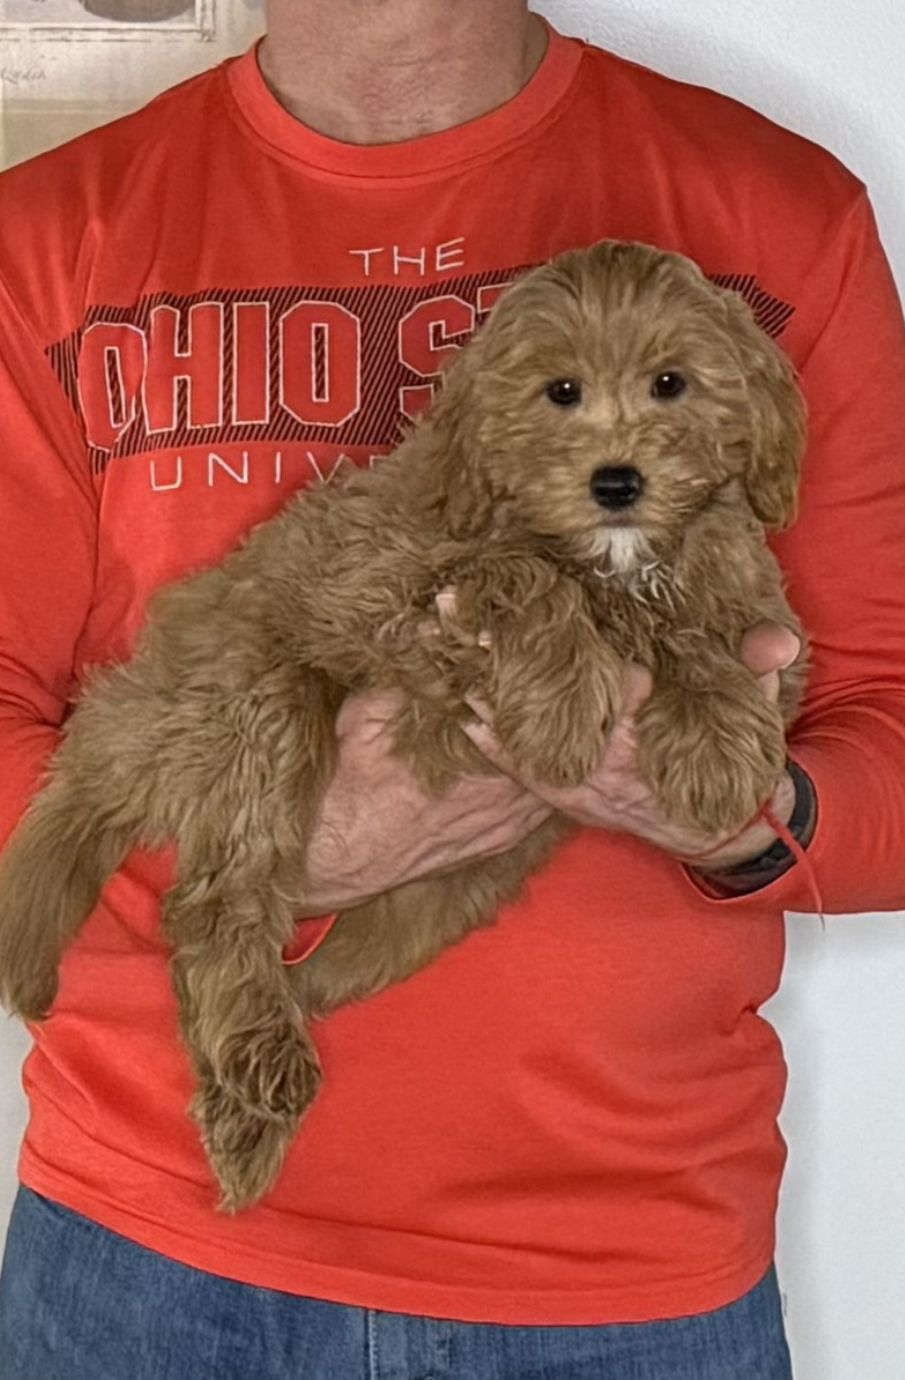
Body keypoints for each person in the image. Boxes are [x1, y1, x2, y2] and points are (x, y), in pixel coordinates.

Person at [0, 2, 903, 1376]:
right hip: (147, 1253)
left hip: (629, 1280)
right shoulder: (47, 237)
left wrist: (747, 820)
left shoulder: (774, 212)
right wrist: (273, 854)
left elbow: (884, 730)